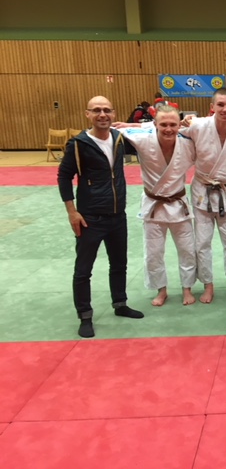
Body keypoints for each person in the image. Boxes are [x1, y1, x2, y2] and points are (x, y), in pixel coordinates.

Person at [57, 96, 144, 338]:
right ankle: (85, 315)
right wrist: (72, 211)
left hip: (117, 215)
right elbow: (64, 176)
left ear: (114, 114)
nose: (102, 114)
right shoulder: (78, 144)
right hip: (90, 217)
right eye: (96, 110)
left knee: (119, 264)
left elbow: (150, 133)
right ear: (88, 114)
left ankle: (120, 303)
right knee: (83, 269)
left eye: (106, 110)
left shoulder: (119, 139)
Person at [118, 105, 197, 306]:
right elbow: (115, 129)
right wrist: (129, 124)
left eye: (173, 124)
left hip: (178, 204)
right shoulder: (143, 139)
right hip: (153, 204)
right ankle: (161, 290)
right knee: (153, 253)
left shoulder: (187, 143)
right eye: (163, 125)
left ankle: (187, 288)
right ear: (154, 125)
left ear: (179, 125)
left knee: (187, 250)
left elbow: (210, 130)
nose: (168, 129)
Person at [181, 88, 226, 303]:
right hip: (202, 191)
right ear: (212, 107)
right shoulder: (198, 126)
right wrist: (130, 126)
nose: (225, 109)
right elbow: (169, 128)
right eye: (220, 104)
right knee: (202, 243)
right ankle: (208, 285)